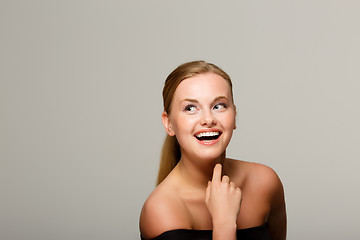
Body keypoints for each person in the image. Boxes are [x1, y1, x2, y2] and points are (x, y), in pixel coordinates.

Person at [139, 61, 287, 240]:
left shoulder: (265, 183)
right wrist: (224, 222)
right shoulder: (160, 210)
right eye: (190, 108)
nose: (208, 119)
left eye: (218, 106)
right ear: (168, 123)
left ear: (234, 117)